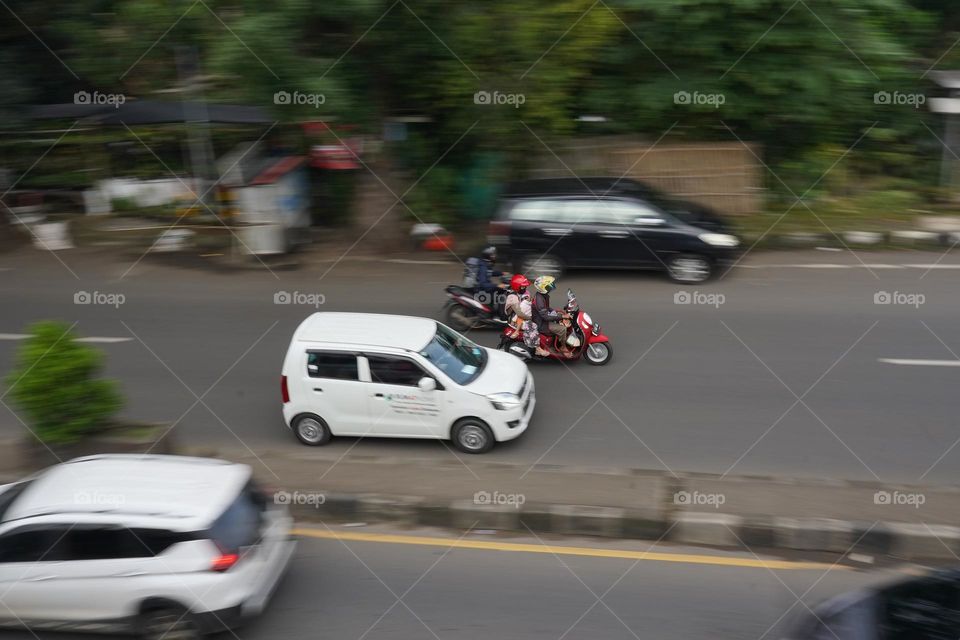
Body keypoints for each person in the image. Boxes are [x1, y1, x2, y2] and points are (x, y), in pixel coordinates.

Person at [531, 275, 571, 355]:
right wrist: (562, 316)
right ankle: (563, 347)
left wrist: (558, 312)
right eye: (549, 286)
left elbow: (547, 308)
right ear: (543, 288)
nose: (551, 287)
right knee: (562, 329)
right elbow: (545, 317)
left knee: (562, 318)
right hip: (542, 324)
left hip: (544, 319)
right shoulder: (539, 300)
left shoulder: (543, 296)